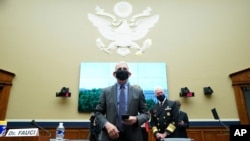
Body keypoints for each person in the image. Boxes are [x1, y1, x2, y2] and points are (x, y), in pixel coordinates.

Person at [94, 61, 150, 141]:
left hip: (133, 136)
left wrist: (136, 119)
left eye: (125, 69)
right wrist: (107, 125)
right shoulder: (106, 91)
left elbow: (146, 114)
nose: (122, 70)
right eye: (119, 69)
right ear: (114, 74)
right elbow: (98, 112)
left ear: (129, 74)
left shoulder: (138, 92)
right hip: (110, 135)